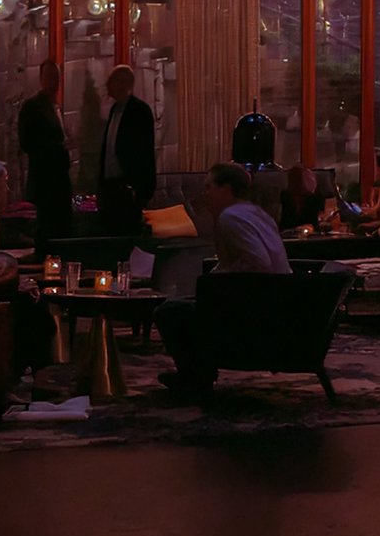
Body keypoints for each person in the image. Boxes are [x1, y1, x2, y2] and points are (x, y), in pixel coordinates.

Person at [155, 163, 291, 391]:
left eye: (209, 187)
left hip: (255, 311)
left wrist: (216, 282)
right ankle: (199, 373)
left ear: (226, 189)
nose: (205, 193)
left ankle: (195, 376)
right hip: (276, 305)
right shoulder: (257, 213)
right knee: (185, 304)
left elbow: (258, 262)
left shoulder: (231, 217)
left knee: (168, 311)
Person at [18, 59, 72, 249]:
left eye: (56, 77)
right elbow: (26, 143)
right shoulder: (32, 107)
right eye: (49, 77)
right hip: (45, 179)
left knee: (60, 228)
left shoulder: (55, 107)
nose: (53, 82)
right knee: (47, 230)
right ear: (41, 79)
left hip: (60, 180)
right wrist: (57, 148)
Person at [97, 64, 155, 235]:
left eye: (111, 81)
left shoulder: (140, 111)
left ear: (123, 83)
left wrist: (140, 189)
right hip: (111, 186)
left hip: (128, 187)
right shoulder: (115, 110)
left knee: (127, 234)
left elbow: (143, 153)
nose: (107, 85)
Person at [279, 164, 326, 231]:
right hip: (288, 236)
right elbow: (283, 223)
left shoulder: (316, 198)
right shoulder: (285, 196)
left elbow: (319, 222)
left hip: (311, 236)